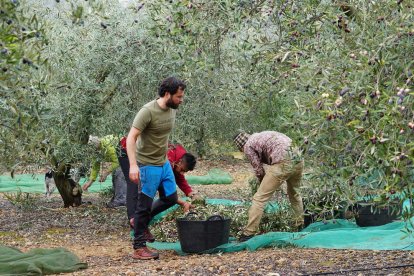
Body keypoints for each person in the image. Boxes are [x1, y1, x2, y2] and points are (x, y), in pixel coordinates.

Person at [126, 76, 186, 260]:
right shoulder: (147, 111)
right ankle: (138, 247)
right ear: (167, 94)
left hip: (163, 162)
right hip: (147, 165)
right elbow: (131, 138)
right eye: (178, 96)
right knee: (143, 206)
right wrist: (133, 165)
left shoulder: (172, 109)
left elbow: (163, 135)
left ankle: (138, 222)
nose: (181, 100)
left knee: (170, 198)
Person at [233, 131, 304, 242]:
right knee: (294, 194)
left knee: (259, 198)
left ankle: (248, 233)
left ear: (241, 146)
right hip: (298, 158)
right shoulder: (260, 136)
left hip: (282, 160)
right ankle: (300, 225)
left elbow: (259, 170)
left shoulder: (248, 146)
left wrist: (263, 184)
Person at [118, 140, 198, 227]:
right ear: (179, 162)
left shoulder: (180, 157)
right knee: (133, 183)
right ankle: (134, 219)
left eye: (185, 171)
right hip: (127, 148)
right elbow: (165, 189)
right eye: (183, 170)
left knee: (167, 196)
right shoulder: (169, 158)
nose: (182, 173)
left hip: (144, 153)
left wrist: (191, 194)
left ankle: (143, 217)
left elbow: (178, 176)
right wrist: (183, 203)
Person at [82, 135, 127, 208]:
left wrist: (106, 172)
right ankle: (117, 198)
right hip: (120, 158)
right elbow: (95, 165)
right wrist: (90, 181)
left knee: (119, 173)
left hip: (127, 154)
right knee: (115, 174)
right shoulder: (96, 151)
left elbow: (117, 162)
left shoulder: (108, 146)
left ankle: (121, 200)